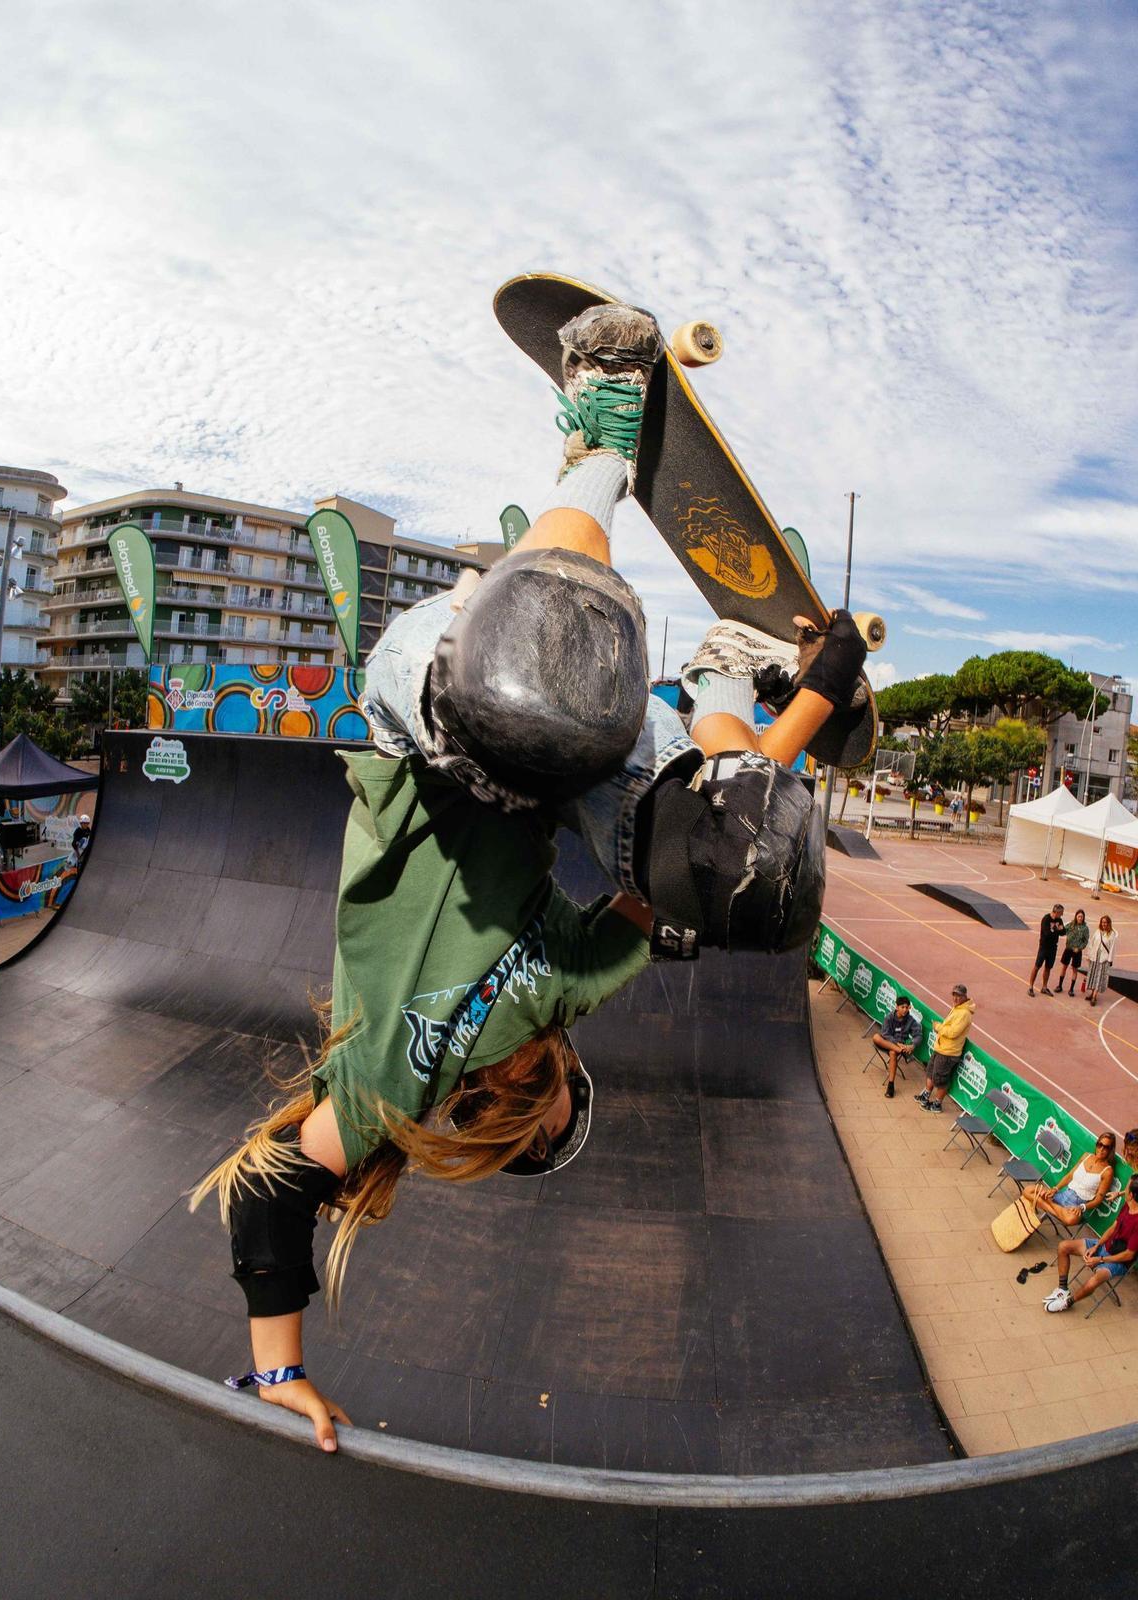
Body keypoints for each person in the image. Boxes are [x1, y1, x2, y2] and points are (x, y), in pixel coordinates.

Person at [191, 301, 868, 1450]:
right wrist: (820, 686)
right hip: (577, 736)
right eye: (571, 1101)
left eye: (559, 1115)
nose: (565, 1097)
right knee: (749, 888)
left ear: (532, 1128)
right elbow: (703, 868)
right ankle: (728, 673)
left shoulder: (384, 1101)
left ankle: (594, 437)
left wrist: (275, 1373)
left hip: (435, 703)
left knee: (542, 711)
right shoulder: (570, 986)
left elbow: (267, 1194)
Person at [1044, 1173, 1138, 1312]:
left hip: (1118, 1261)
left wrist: (1100, 1259)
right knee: (1063, 1246)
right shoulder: (1128, 1205)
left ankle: (1068, 1302)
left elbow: (1129, 1255)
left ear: (1131, 1195)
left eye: (1126, 1188)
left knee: (1095, 1280)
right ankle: (1063, 1289)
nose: (1123, 1190)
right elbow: (1113, 1227)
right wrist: (1097, 1246)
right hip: (1104, 1247)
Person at [1022, 1131, 1115, 1229]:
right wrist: (1055, 1189)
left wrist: (1081, 1207)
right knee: (1028, 1190)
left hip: (1075, 1205)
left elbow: (1098, 1199)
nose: (1101, 1149)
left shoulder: (1107, 1171)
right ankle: (1055, 1208)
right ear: (1097, 1144)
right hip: (1063, 1195)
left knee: (1071, 1219)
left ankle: (1048, 1202)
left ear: (1110, 1150)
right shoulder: (1086, 1156)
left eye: (1106, 1147)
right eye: (1100, 1144)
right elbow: (1070, 1176)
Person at [915, 983, 975, 1113]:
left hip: (949, 1052)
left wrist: (938, 1027)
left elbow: (953, 1032)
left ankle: (937, 1104)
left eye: (958, 995)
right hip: (941, 1048)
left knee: (941, 1079)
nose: (955, 998)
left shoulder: (964, 1013)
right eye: (954, 994)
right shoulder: (957, 1008)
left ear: (965, 996)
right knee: (931, 1072)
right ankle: (926, 1095)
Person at [871, 994, 921, 1098]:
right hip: (887, 1043)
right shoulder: (889, 1017)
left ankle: (891, 1086)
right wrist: (898, 1045)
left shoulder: (910, 1020)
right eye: (902, 1007)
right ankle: (899, 1050)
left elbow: (918, 1035)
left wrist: (912, 1045)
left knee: (893, 1053)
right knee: (876, 1037)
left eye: (907, 1007)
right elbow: (885, 1034)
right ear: (897, 1007)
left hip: (898, 1048)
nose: (905, 1010)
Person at [1027, 903, 1065, 996]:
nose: (1062, 915)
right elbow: (1047, 933)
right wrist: (1057, 929)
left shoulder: (1059, 920)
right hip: (1044, 947)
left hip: (1053, 947)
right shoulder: (1046, 919)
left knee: (1048, 967)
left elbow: (1063, 932)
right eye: (1061, 913)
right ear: (1056, 912)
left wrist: (1057, 930)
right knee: (1037, 966)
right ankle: (1031, 987)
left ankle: (1044, 987)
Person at [1083, 914, 1118, 1007]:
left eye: (1106, 922)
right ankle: (1092, 993)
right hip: (1095, 958)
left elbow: (1112, 948)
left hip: (1103, 959)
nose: (1104, 924)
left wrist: (1109, 960)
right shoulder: (1098, 931)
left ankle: (1094, 996)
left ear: (1109, 923)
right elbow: (1092, 943)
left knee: (1098, 977)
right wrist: (1089, 955)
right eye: (1102, 922)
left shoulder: (1112, 934)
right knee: (1094, 976)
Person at [1054, 908, 1088, 993]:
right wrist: (1058, 927)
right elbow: (1063, 930)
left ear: (1083, 918)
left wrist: (1079, 948)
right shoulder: (1071, 925)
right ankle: (1060, 986)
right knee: (1064, 967)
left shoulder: (1085, 928)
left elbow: (1085, 941)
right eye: (1079, 916)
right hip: (1068, 949)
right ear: (1076, 916)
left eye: (1081, 917)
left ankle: (1071, 989)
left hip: (1077, 951)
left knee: (1074, 969)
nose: (1080, 918)